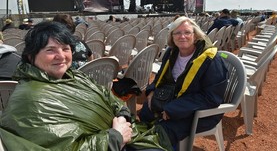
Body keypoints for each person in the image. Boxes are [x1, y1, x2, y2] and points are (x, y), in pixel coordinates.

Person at [0, 21, 172, 151]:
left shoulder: (73, 76)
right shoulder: (30, 100)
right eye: (50, 50)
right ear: (31, 56)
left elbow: (107, 96)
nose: (61, 56)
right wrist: (116, 137)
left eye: (65, 49)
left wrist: (123, 115)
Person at [138, 16, 228, 147]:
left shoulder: (211, 60)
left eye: (187, 32)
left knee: (165, 130)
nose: (182, 36)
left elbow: (211, 98)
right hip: (175, 99)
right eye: (177, 33)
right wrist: (152, 91)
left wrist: (173, 109)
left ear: (195, 35)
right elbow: (160, 77)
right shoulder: (171, 53)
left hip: (199, 111)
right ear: (172, 37)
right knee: (146, 112)